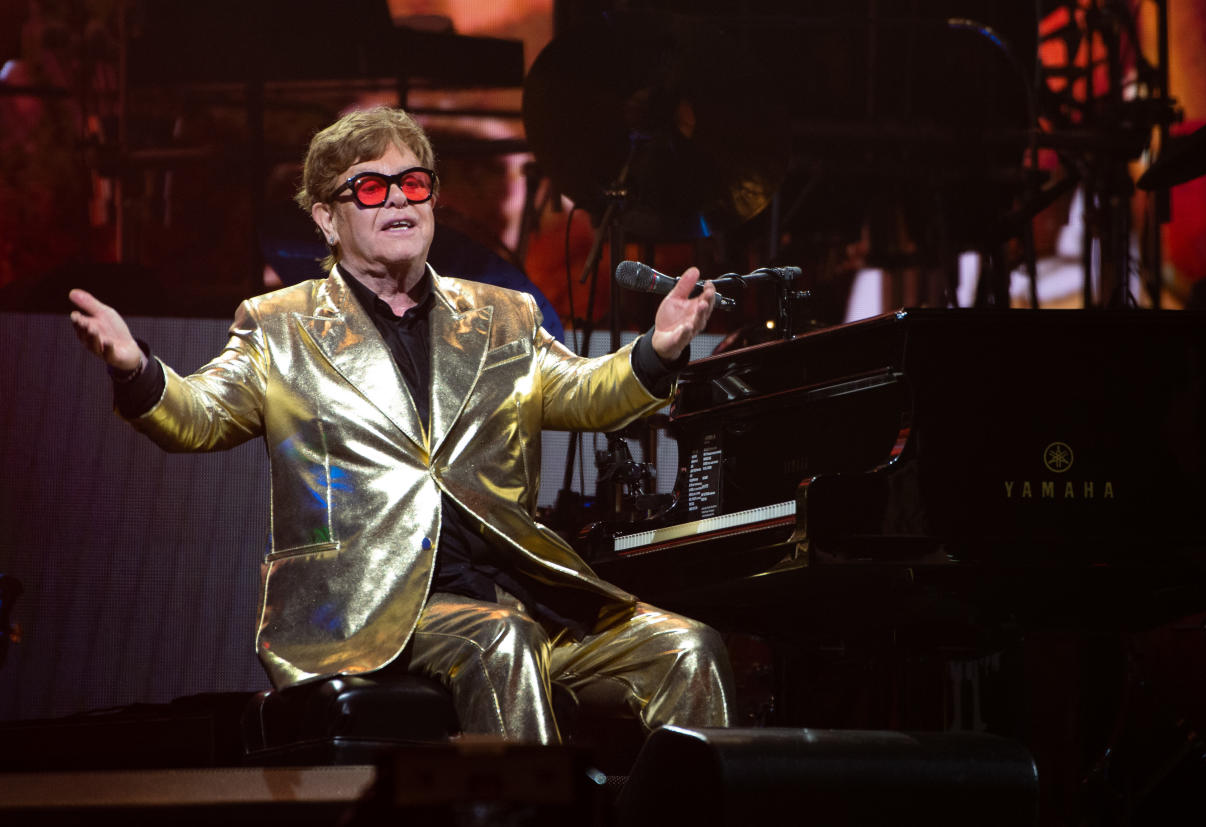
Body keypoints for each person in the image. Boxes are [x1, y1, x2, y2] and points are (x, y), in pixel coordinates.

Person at [68, 106, 734, 743]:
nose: (399, 200)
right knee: (500, 639)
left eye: (414, 183)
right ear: (326, 218)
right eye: (371, 187)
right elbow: (199, 415)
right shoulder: (279, 327)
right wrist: (136, 369)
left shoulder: (503, 316)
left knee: (688, 648)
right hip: (377, 608)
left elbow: (589, 394)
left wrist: (659, 348)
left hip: (524, 590)